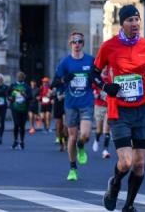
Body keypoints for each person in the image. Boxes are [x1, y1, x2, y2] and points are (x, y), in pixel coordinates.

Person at [94, 4, 145, 212]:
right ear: (122, 23)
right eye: (130, 20)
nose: (135, 24)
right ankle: (114, 184)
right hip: (119, 110)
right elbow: (94, 74)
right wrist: (105, 86)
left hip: (143, 110)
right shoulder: (109, 47)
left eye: (137, 20)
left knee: (139, 164)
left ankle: (129, 205)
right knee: (125, 163)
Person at [56, 32, 96, 181]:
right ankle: (73, 168)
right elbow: (56, 81)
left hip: (86, 102)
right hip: (71, 104)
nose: (77, 44)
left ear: (83, 44)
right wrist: (64, 79)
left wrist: (100, 84)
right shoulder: (65, 62)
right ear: (70, 44)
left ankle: (81, 145)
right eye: (74, 42)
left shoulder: (90, 61)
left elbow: (98, 77)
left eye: (79, 41)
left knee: (85, 135)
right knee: (71, 137)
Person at [8, 72, 31, 150]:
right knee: (16, 124)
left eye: (21, 77)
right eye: (18, 76)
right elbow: (8, 94)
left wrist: (25, 95)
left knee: (22, 125)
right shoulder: (13, 85)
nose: (19, 78)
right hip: (15, 108)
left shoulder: (26, 86)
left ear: (23, 78)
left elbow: (30, 97)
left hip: (24, 108)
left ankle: (21, 141)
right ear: (16, 77)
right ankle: (15, 141)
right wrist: (10, 98)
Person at [93, 69, 112, 159]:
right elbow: (93, 87)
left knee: (106, 129)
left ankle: (105, 150)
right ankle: (96, 139)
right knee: (99, 130)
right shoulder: (97, 77)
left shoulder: (111, 76)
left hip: (109, 106)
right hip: (99, 105)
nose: (105, 68)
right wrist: (97, 94)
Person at [50, 77, 68, 151]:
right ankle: (61, 143)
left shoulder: (69, 78)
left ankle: (66, 143)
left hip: (67, 105)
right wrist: (52, 96)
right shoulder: (57, 79)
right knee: (59, 127)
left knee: (65, 126)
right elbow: (51, 89)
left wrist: (63, 96)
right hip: (58, 105)